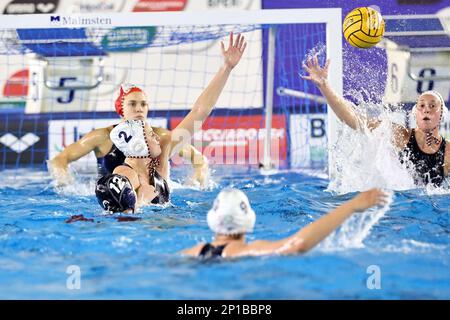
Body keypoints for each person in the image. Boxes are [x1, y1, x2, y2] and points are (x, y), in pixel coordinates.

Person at [95, 32, 246, 212]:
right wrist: (138, 203)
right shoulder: (125, 174)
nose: (158, 137)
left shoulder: (161, 153)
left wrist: (226, 68)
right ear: (139, 145)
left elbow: (200, 111)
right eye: (151, 135)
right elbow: (121, 218)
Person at [301, 56, 449, 187]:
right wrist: (324, 85)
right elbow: (354, 120)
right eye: (421, 105)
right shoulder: (399, 135)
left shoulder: (448, 152)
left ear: (442, 114)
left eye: (433, 106)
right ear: (415, 113)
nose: (426, 110)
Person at [181, 188, 388, 258]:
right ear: (248, 220)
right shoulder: (244, 251)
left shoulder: (193, 252)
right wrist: (351, 206)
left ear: (212, 220)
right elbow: (296, 244)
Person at [47, 125, 209, 187]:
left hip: (150, 196)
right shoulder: (103, 136)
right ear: (121, 109)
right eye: (133, 104)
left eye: (143, 104)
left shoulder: (159, 136)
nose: (139, 109)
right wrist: (64, 182)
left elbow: (199, 159)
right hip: (112, 195)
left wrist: (196, 179)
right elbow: (59, 160)